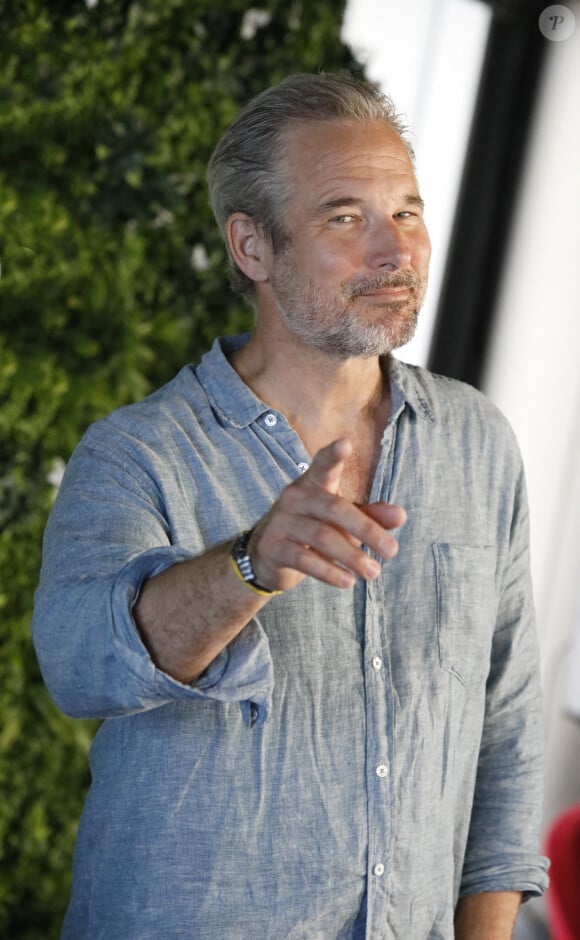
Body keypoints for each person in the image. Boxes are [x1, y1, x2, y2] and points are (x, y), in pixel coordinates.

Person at [32, 72, 549, 939]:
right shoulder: (139, 452)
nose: (396, 250)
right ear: (252, 248)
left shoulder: (476, 441)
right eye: (346, 217)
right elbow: (81, 663)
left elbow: (505, 727)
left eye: (408, 212)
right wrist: (250, 565)